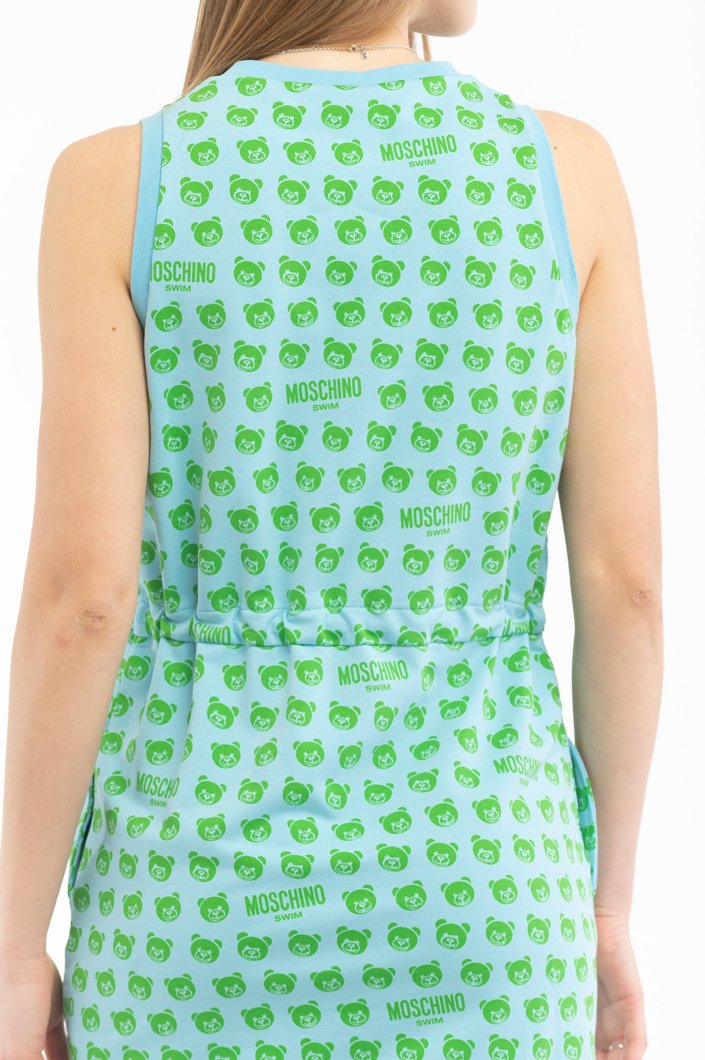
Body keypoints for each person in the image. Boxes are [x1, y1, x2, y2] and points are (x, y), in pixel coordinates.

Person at [0, 0, 662, 1056]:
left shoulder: (120, 182)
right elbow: (625, 584)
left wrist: (12, 945)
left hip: (192, 910)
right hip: (486, 890)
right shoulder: (562, 173)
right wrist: (607, 908)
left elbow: (84, 600)